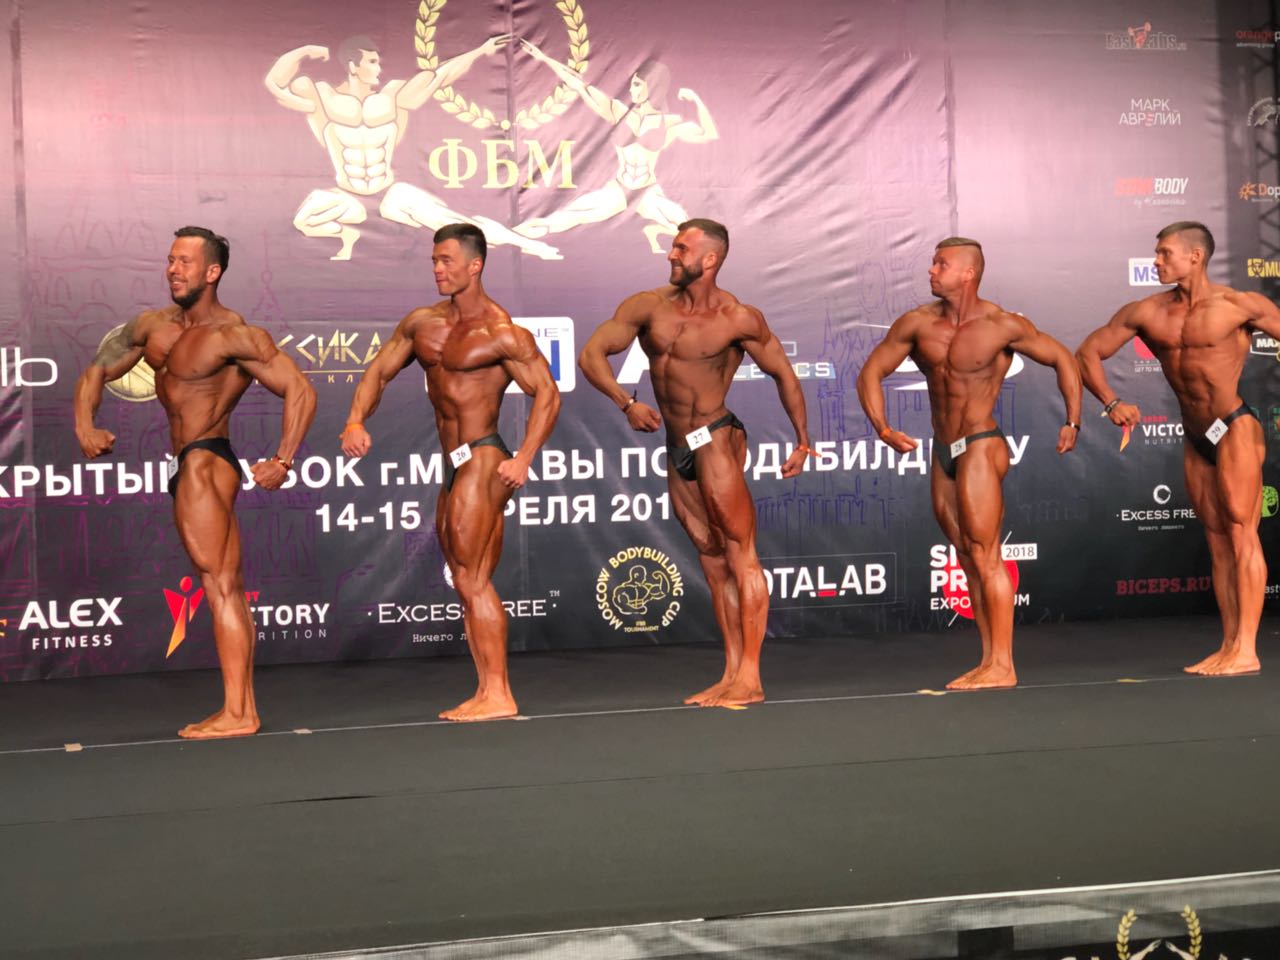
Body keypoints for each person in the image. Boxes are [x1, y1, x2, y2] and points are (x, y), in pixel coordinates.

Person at [74, 226, 317, 738]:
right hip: (186, 461)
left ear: (212, 272)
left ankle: (238, 713)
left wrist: (283, 459)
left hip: (207, 458)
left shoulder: (233, 334)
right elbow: (96, 370)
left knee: (222, 585)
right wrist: (85, 425)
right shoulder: (153, 326)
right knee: (222, 584)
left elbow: (299, 389)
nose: (173, 270)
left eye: (185, 262)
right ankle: (240, 709)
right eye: (171, 260)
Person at [579, 219, 809, 706]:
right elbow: (592, 354)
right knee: (712, 559)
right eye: (673, 246)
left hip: (716, 438)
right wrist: (626, 402)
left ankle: (751, 677)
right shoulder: (647, 306)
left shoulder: (737, 318)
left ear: (709, 259)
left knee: (740, 553)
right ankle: (730, 673)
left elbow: (784, 375)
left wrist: (802, 441)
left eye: (681, 248)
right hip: (677, 446)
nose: (671, 254)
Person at [340, 224, 560, 720]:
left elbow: (547, 394)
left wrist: (524, 456)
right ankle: (485, 690)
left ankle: (499, 694)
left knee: (473, 576)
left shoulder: (501, 332)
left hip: (484, 455)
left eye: (446, 261)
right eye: (434, 261)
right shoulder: (423, 323)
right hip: (453, 461)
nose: (438, 269)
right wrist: (355, 420)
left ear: (474, 265)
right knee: (464, 577)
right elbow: (378, 371)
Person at [857, 237, 1081, 690]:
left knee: (984, 552)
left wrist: (1072, 421)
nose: (931, 270)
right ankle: (987, 659)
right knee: (965, 554)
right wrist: (882, 427)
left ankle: (1004, 664)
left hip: (981, 443)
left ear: (968, 273)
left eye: (941, 264)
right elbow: (871, 372)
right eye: (933, 262)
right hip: (944, 449)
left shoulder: (1002, 325)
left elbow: (1061, 358)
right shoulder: (917, 323)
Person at [1077, 221, 1276, 676]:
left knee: (1241, 532)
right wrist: (1111, 402)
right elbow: (1088, 352)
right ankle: (1229, 646)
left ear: (1195, 257)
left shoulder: (1238, 306)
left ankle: (1247, 649)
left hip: (1234, 427)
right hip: (1196, 436)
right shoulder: (1147, 311)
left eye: (1165, 253)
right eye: (1157, 253)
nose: (1157, 261)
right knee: (1218, 541)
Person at [266, 35, 559, 261]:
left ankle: (527, 244)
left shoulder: (393, 96)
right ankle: (348, 234)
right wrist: (304, 51)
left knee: (458, 227)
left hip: (387, 192)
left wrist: (480, 50)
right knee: (304, 220)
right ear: (354, 66)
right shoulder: (323, 97)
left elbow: (439, 76)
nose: (379, 67)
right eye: (372, 62)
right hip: (346, 195)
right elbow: (275, 84)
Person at [515, 44, 717, 253]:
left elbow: (708, 134)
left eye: (637, 85)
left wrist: (696, 100)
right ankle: (512, 236)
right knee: (562, 219)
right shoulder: (619, 112)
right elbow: (579, 84)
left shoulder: (668, 123)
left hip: (647, 193)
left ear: (653, 86)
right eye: (632, 85)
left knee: (690, 233)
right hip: (619, 189)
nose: (631, 90)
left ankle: (654, 231)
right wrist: (543, 57)